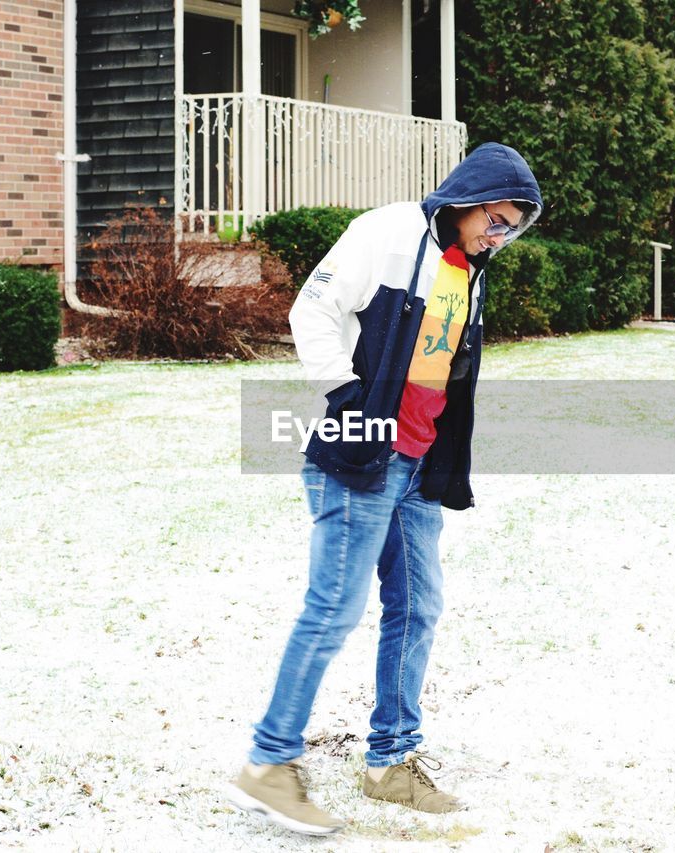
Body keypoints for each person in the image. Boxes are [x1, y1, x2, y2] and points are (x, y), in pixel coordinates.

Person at [226, 143, 543, 836]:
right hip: (360, 461)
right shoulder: (389, 232)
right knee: (334, 608)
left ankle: (391, 760)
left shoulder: (468, 270)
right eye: (496, 219)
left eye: (512, 227)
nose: (501, 235)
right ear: (469, 196)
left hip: (418, 469)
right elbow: (311, 311)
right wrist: (347, 400)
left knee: (418, 607)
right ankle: (268, 761)